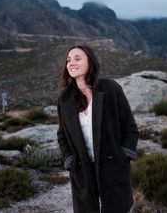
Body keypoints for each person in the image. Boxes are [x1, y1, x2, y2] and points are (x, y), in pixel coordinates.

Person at [57, 45, 139, 212]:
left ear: (90, 62)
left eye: (77, 58)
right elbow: (62, 135)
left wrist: (124, 155)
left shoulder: (110, 89)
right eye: (68, 60)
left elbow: (130, 127)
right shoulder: (65, 99)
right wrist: (70, 160)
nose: (71, 63)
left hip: (112, 165)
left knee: (116, 208)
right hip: (82, 168)